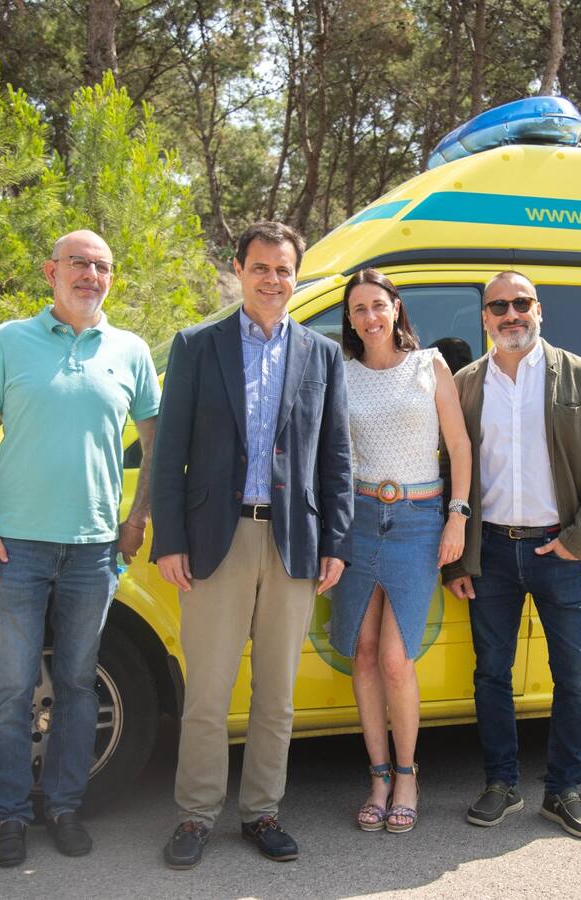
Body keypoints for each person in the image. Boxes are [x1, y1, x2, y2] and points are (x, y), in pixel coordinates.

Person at [151, 221, 353, 869]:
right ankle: (195, 814)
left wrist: (335, 540)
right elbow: (169, 452)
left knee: (276, 696)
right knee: (208, 692)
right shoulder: (196, 346)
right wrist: (169, 540)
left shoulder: (321, 354)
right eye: (260, 267)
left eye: (283, 269)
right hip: (216, 538)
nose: (272, 280)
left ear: (297, 277)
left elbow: (336, 455)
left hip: (295, 542)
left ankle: (262, 811)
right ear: (238, 270)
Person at [0, 230, 159, 867]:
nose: (91, 275)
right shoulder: (9, 340)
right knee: (13, 687)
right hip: (15, 548)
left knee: (76, 683)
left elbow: (157, 441)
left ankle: (66, 808)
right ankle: (10, 816)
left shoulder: (130, 350)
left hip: (95, 549)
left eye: (102, 266)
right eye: (79, 263)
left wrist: (136, 519)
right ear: (51, 272)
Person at [443, 270, 581, 839]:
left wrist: (579, 539)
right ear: (484, 318)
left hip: (558, 550)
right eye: (498, 306)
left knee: (574, 677)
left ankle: (564, 790)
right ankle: (501, 784)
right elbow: (449, 470)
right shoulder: (466, 384)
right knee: (491, 675)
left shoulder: (580, 375)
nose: (511, 314)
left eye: (521, 303)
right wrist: (456, 561)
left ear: (539, 309)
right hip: (490, 553)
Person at [329, 269, 471, 834]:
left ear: (396, 308)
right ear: (350, 319)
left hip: (417, 520)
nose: (370, 317)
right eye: (358, 309)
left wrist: (457, 516)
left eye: (378, 306)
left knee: (394, 658)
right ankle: (379, 777)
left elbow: (459, 444)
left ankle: (409, 776)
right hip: (360, 518)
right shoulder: (341, 373)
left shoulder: (429, 365)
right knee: (362, 654)